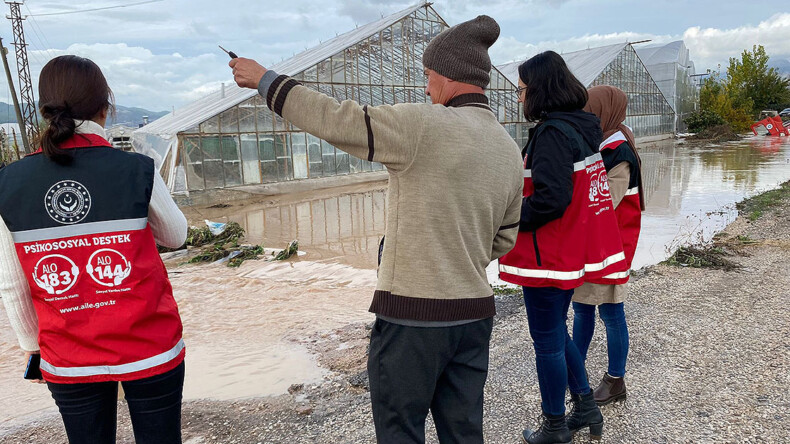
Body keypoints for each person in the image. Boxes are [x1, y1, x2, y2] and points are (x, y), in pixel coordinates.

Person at [230, 15, 523, 444]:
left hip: (414, 318)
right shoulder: (508, 148)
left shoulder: (421, 125)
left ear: (447, 75)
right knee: (463, 433)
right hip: (475, 316)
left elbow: (337, 119)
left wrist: (265, 80)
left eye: (427, 76)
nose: (425, 88)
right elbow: (504, 239)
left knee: (399, 431)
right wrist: (456, 251)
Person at [0, 55, 188, 444]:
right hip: (150, 348)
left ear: (45, 109)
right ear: (106, 106)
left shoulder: (8, 183)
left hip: (68, 357)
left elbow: (12, 284)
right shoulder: (137, 168)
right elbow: (175, 235)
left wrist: (34, 348)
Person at [498, 51, 628, 444]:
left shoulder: (553, 133)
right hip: (567, 256)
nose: (520, 98)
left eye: (522, 90)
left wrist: (506, 215)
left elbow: (551, 200)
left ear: (539, 90)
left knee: (547, 343)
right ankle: (586, 407)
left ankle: (555, 425)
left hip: (547, 260)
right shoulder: (582, 126)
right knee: (557, 332)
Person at [571, 85, 645, 406]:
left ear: (605, 112)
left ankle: (616, 380)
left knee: (612, 313)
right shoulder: (599, 146)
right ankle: (576, 371)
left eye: (590, 111)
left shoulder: (619, 153)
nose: (586, 116)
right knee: (581, 310)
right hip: (590, 244)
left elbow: (605, 203)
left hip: (610, 247)